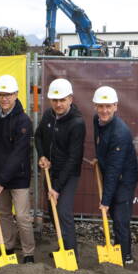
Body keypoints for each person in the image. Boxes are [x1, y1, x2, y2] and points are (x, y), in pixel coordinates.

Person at [0, 74, 35, 264]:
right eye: (0, 94)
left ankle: (28, 253)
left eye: (8, 94)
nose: (4, 98)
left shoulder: (23, 121)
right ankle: (8, 248)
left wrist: (1, 182)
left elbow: (19, 154)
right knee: (3, 214)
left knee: (22, 216)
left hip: (18, 177)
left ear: (16, 95)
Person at [34, 78, 85, 259]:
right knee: (52, 210)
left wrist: (56, 188)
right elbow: (38, 136)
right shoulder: (48, 115)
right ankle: (62, 246)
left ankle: (72, 255)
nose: (58, 104)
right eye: (55, 100)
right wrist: (42, 155)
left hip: (69, 174)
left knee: (63, 211)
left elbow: (74, 159)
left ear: (70, 99)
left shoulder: (77, 123)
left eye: (62, 100)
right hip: (51, 171)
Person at [91, 86, 138, 266]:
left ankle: (126, 256)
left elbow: (114, 171)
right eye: (101, 106)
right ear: (95, 106)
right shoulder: (97, 120)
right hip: (112, 170)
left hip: (124, 178)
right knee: (113, 214)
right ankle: (118, 248)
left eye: (108, 106)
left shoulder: (120, 132)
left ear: (116, 106)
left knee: (120, 219)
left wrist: (105, 200)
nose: (104, 110)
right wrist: (99, 157)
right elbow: (101, 142)